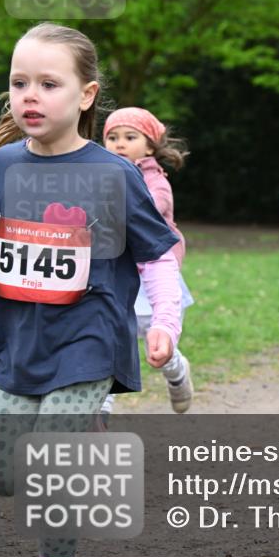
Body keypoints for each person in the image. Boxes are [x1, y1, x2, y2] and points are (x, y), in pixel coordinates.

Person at [0, 23, 181, 557]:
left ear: (86, 94)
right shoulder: (0, 167)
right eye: (20, 83)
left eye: (48, 84)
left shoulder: (114, 174)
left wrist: (165, 322)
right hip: (20, 341)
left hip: (89, 341)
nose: (30, 96)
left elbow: (157, 258)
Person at [102, 107, 195, 417]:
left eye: (130, 137)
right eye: (112, 137)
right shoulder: (99, 175)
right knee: (110, 340)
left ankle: (177, 373)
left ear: (150, 147)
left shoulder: (155, 182)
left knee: (157, 348)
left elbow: (149, 210)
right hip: (115, 273)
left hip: (151, 277)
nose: (119, 143)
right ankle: (101, 407)